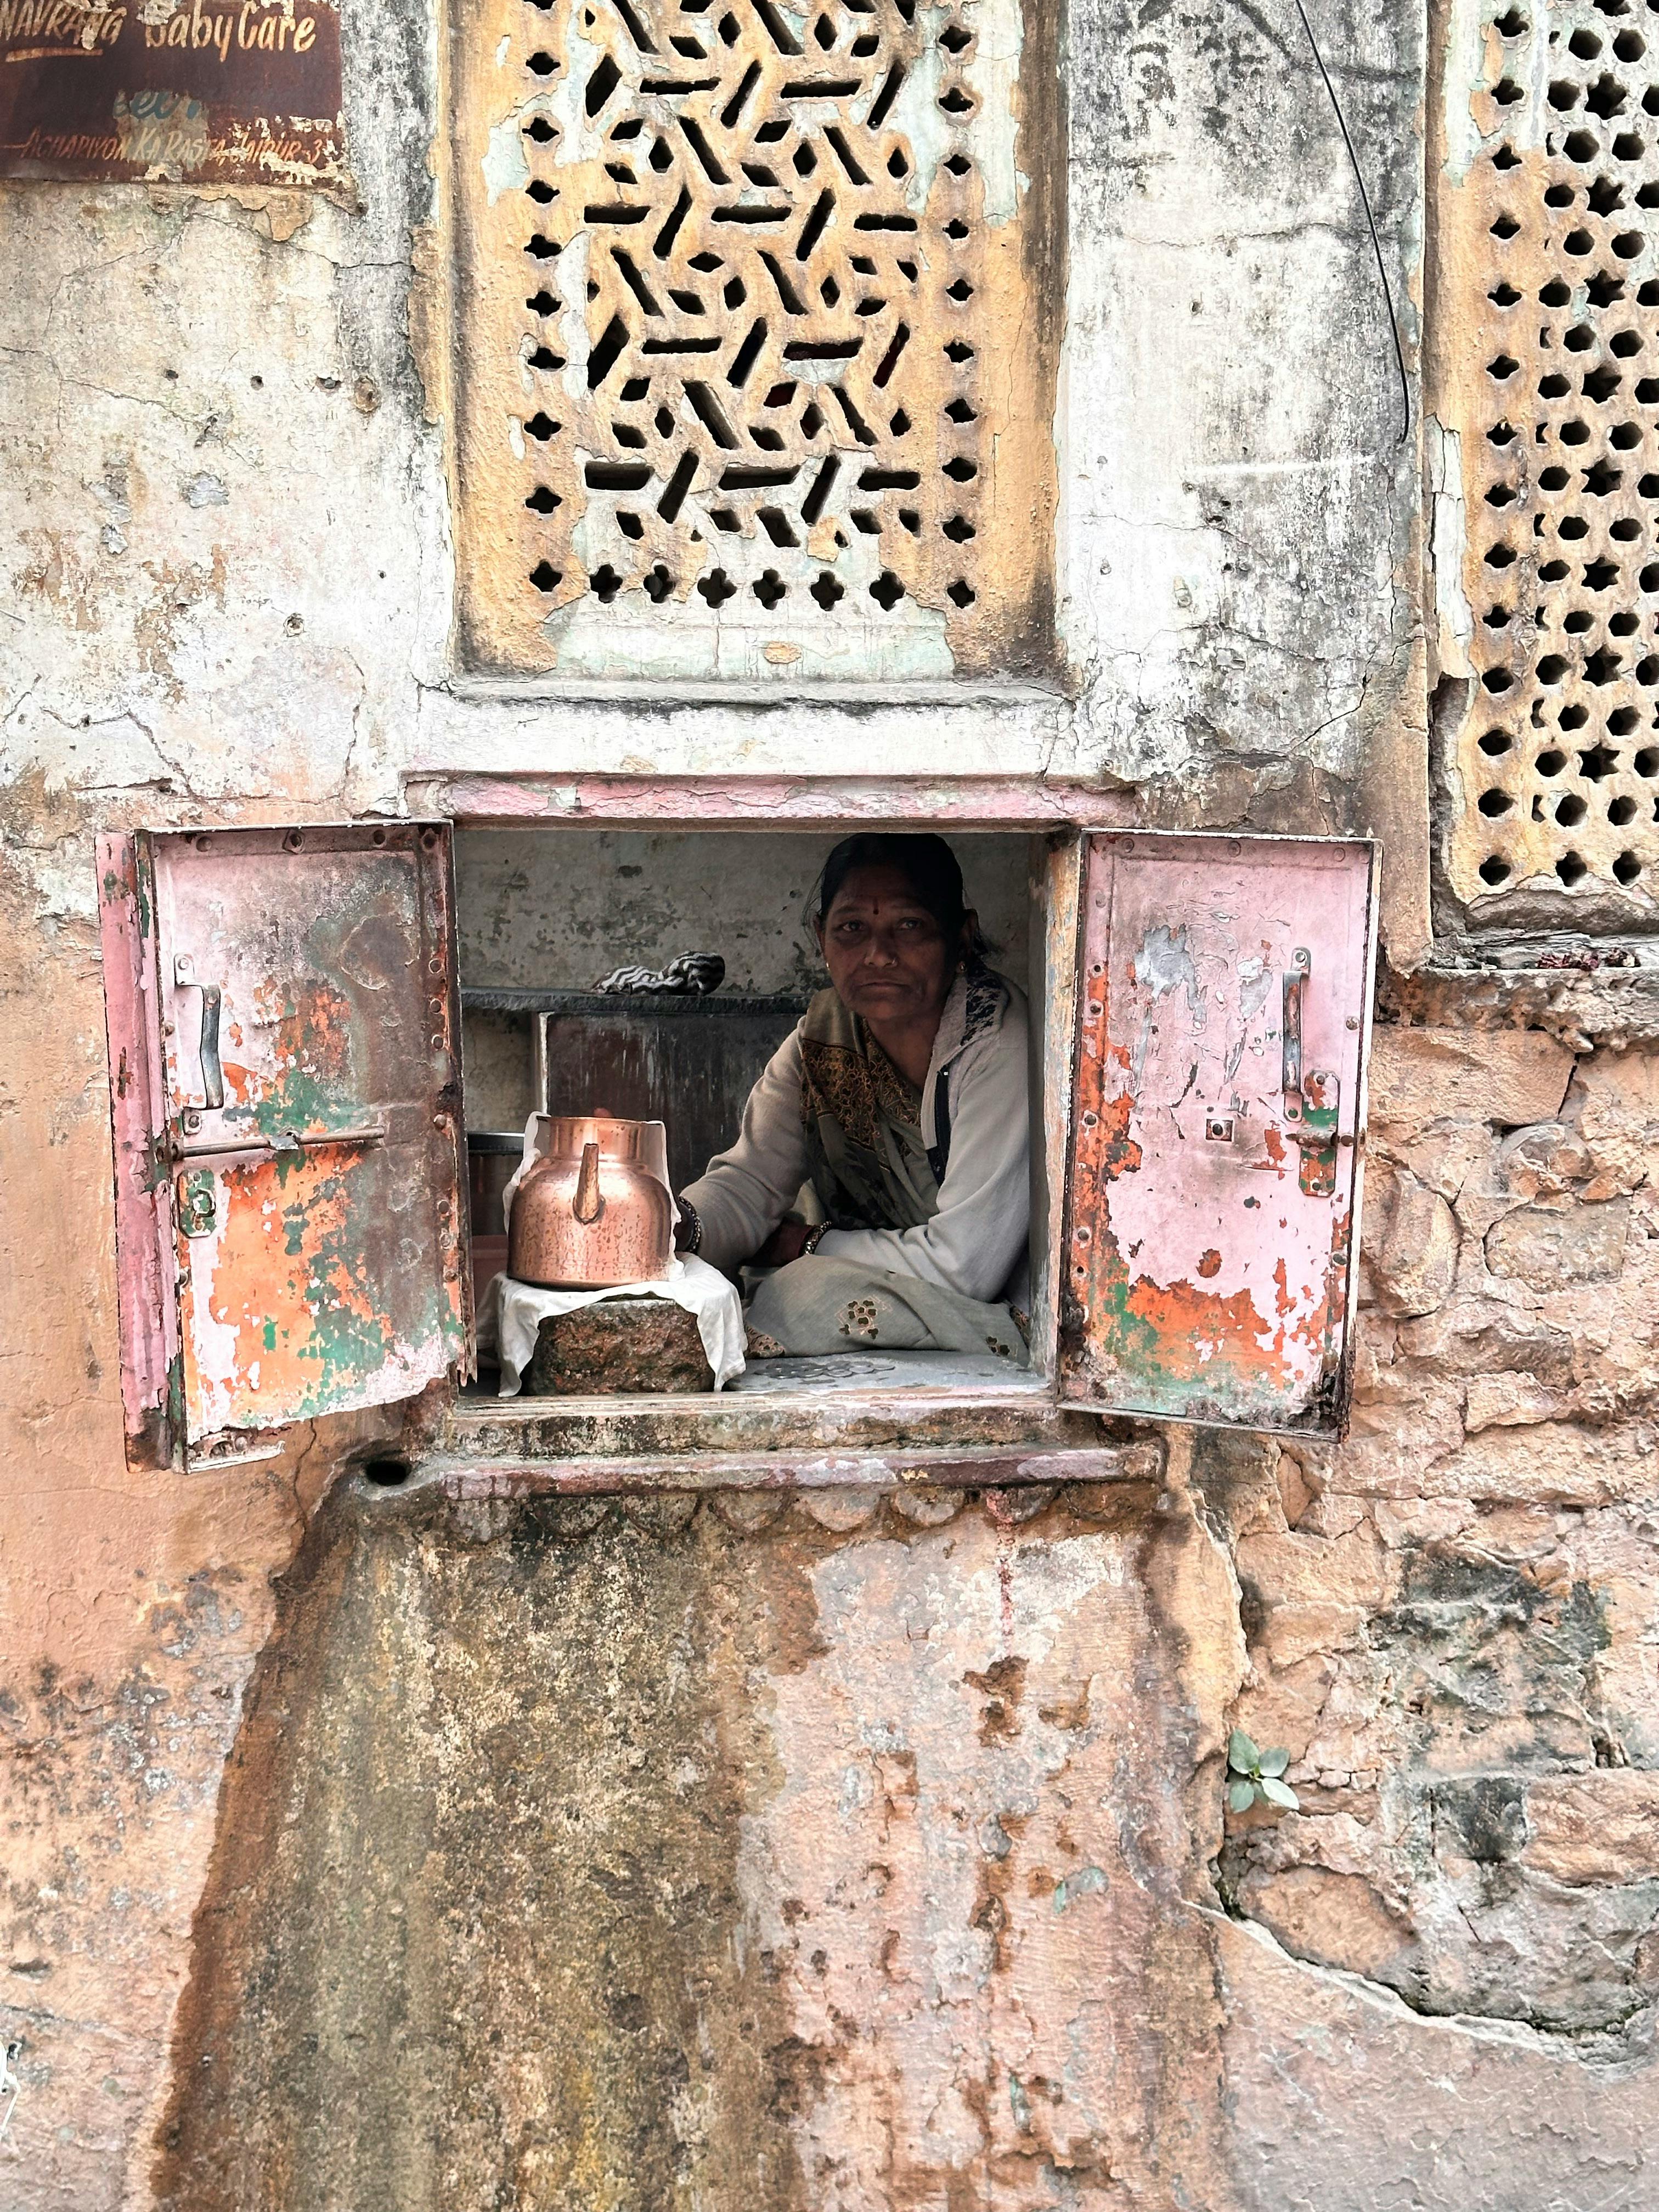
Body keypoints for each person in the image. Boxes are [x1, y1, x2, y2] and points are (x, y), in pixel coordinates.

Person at [675, 833, 1030, 1363]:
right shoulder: (820, 1041)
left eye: (909, 926)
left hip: (991, 1301)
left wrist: (806, 1246)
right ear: (822, 938)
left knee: (797, 1293)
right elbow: (750, 1184)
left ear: (961, 936)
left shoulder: (995, 1041)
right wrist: (673, 1225)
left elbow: (966, 1266)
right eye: (852, 928)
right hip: (890, 1275)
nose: (878, 955)